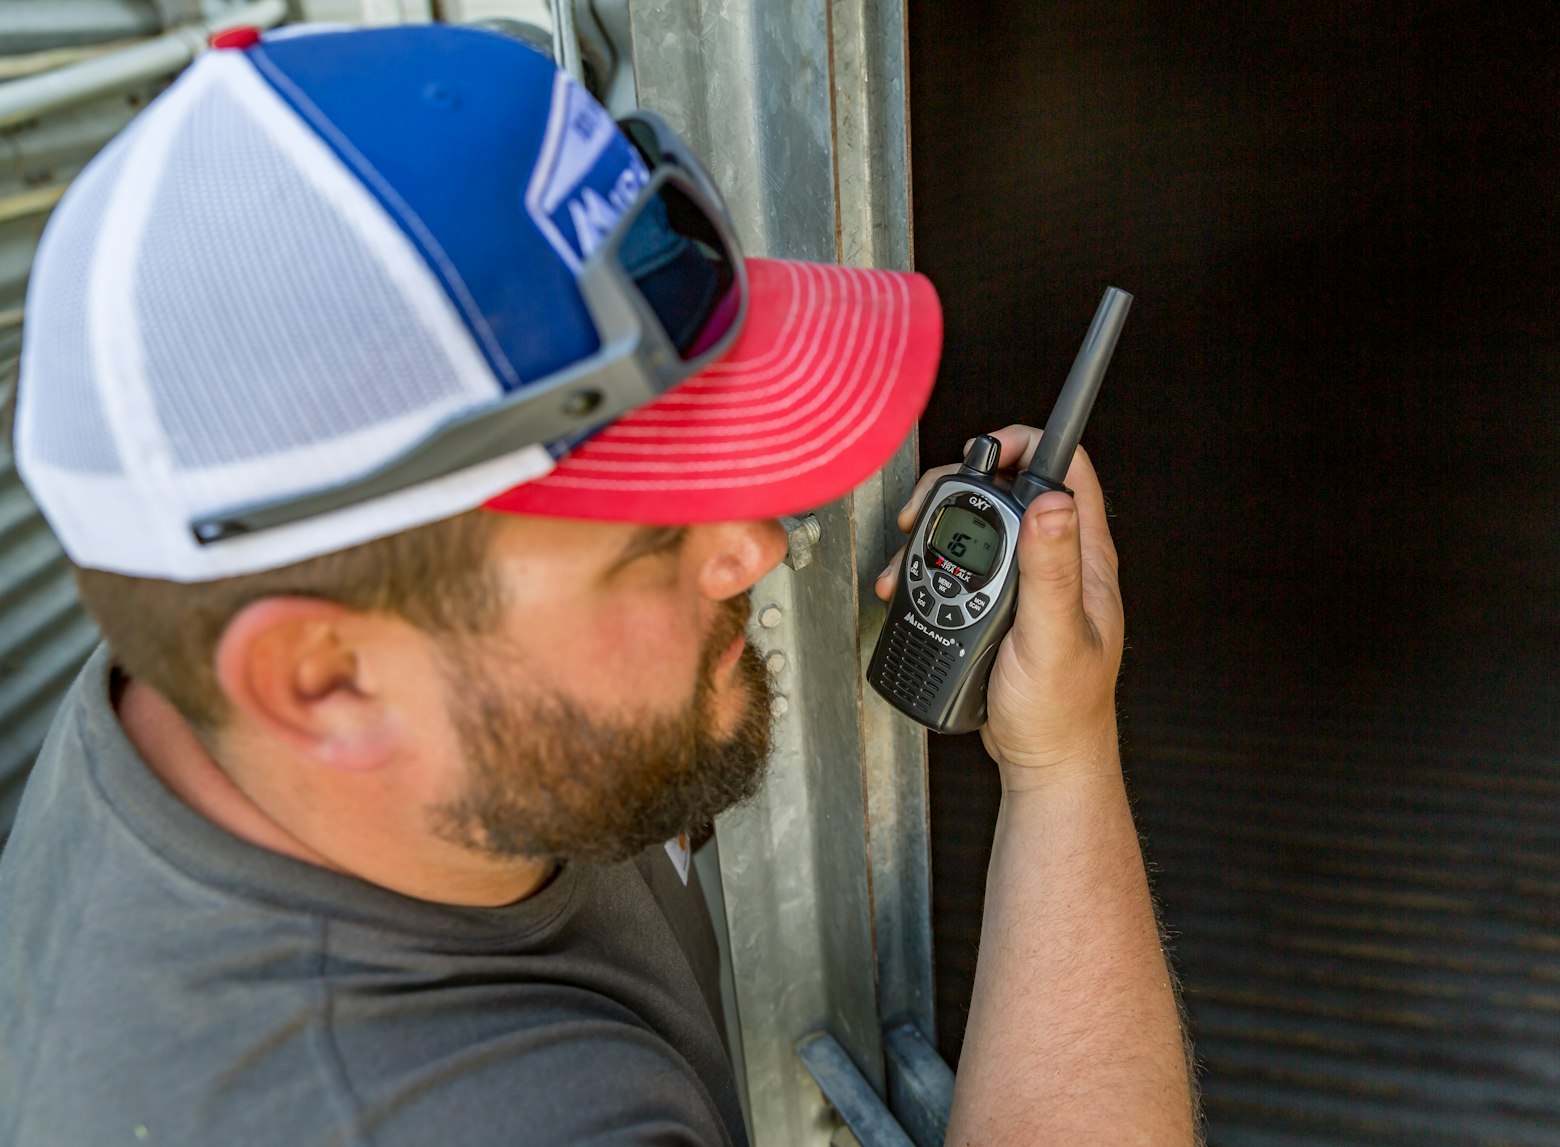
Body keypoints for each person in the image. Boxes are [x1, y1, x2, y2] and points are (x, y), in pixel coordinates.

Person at [0, 22, 1195, 1147]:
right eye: (645, 535)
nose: (758, 546)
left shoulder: (204, 693)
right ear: (324, 681)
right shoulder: (497, 1117)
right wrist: (1063, 766)